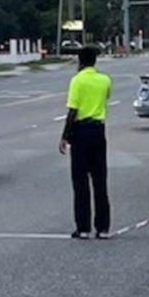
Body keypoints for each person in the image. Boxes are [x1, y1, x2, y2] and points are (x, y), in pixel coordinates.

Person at [59, 46, 112, 240]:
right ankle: (103, 227)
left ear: (80, 61)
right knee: (100, 180)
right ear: (95, 61)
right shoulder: (105, 80)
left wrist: (65, 136)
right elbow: (106, 99)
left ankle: (83, 228)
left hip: (80, 132)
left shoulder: (77, 81)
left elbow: (72, 111)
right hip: (98, 131)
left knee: (80, 182)